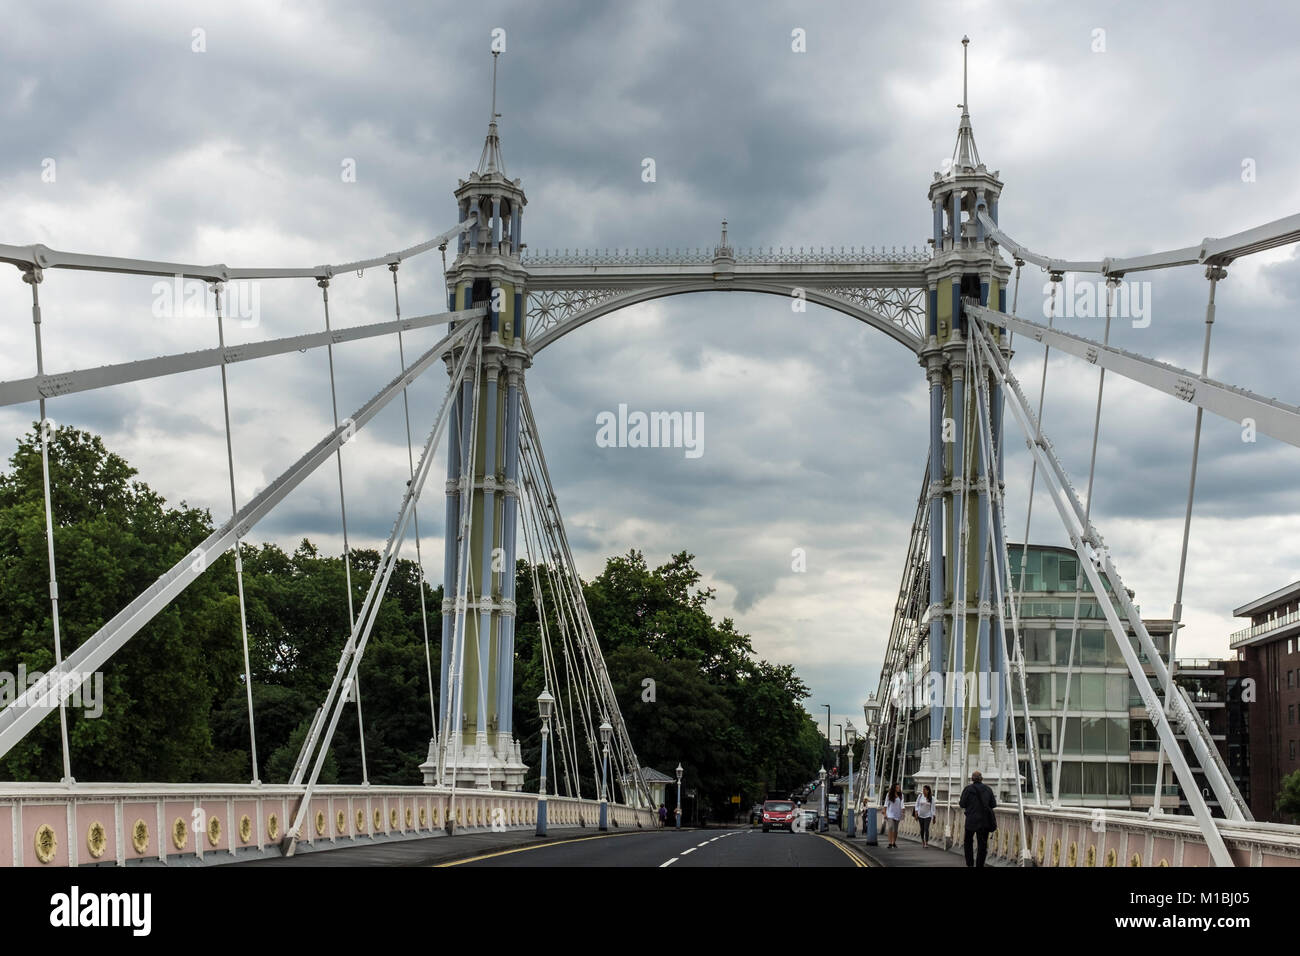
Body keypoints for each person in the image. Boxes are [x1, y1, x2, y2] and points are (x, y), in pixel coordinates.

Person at [958, 770, 997, 867]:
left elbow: (962, 804)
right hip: (984, 821)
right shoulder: (988, 789)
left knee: (968, 843)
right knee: (982, 845)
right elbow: (993, 804)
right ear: (982, 779)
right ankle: (980, 865)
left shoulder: (968, 789)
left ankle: (970, 864)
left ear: (972, 779)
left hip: (971, 821)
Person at [881, 782, 904, 849]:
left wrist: (903, 811)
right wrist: (885, 813)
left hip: (898, 814)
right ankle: (890, 843)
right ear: (894, 788)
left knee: (896, 830)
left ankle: (894, 842)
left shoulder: (901, 795)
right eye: (897, 787)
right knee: (891, 827)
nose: (898, 788)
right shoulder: (889, 795)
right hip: (890, 814)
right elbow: (885, 804)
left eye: (899, 787)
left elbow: (902, 804)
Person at [914, 784, 935, 848]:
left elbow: (933, 808)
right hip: (920, 815)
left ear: (928, 791)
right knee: (922, 829)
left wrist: (934, 817)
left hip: (928, 815)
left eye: (924, 790)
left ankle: (926, 842)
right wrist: (916, 813)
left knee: (926, 829)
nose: (923, 791)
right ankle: (923, 841)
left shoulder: (932, 798)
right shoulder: (920, 796)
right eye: (923, 789)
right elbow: (916, 804)